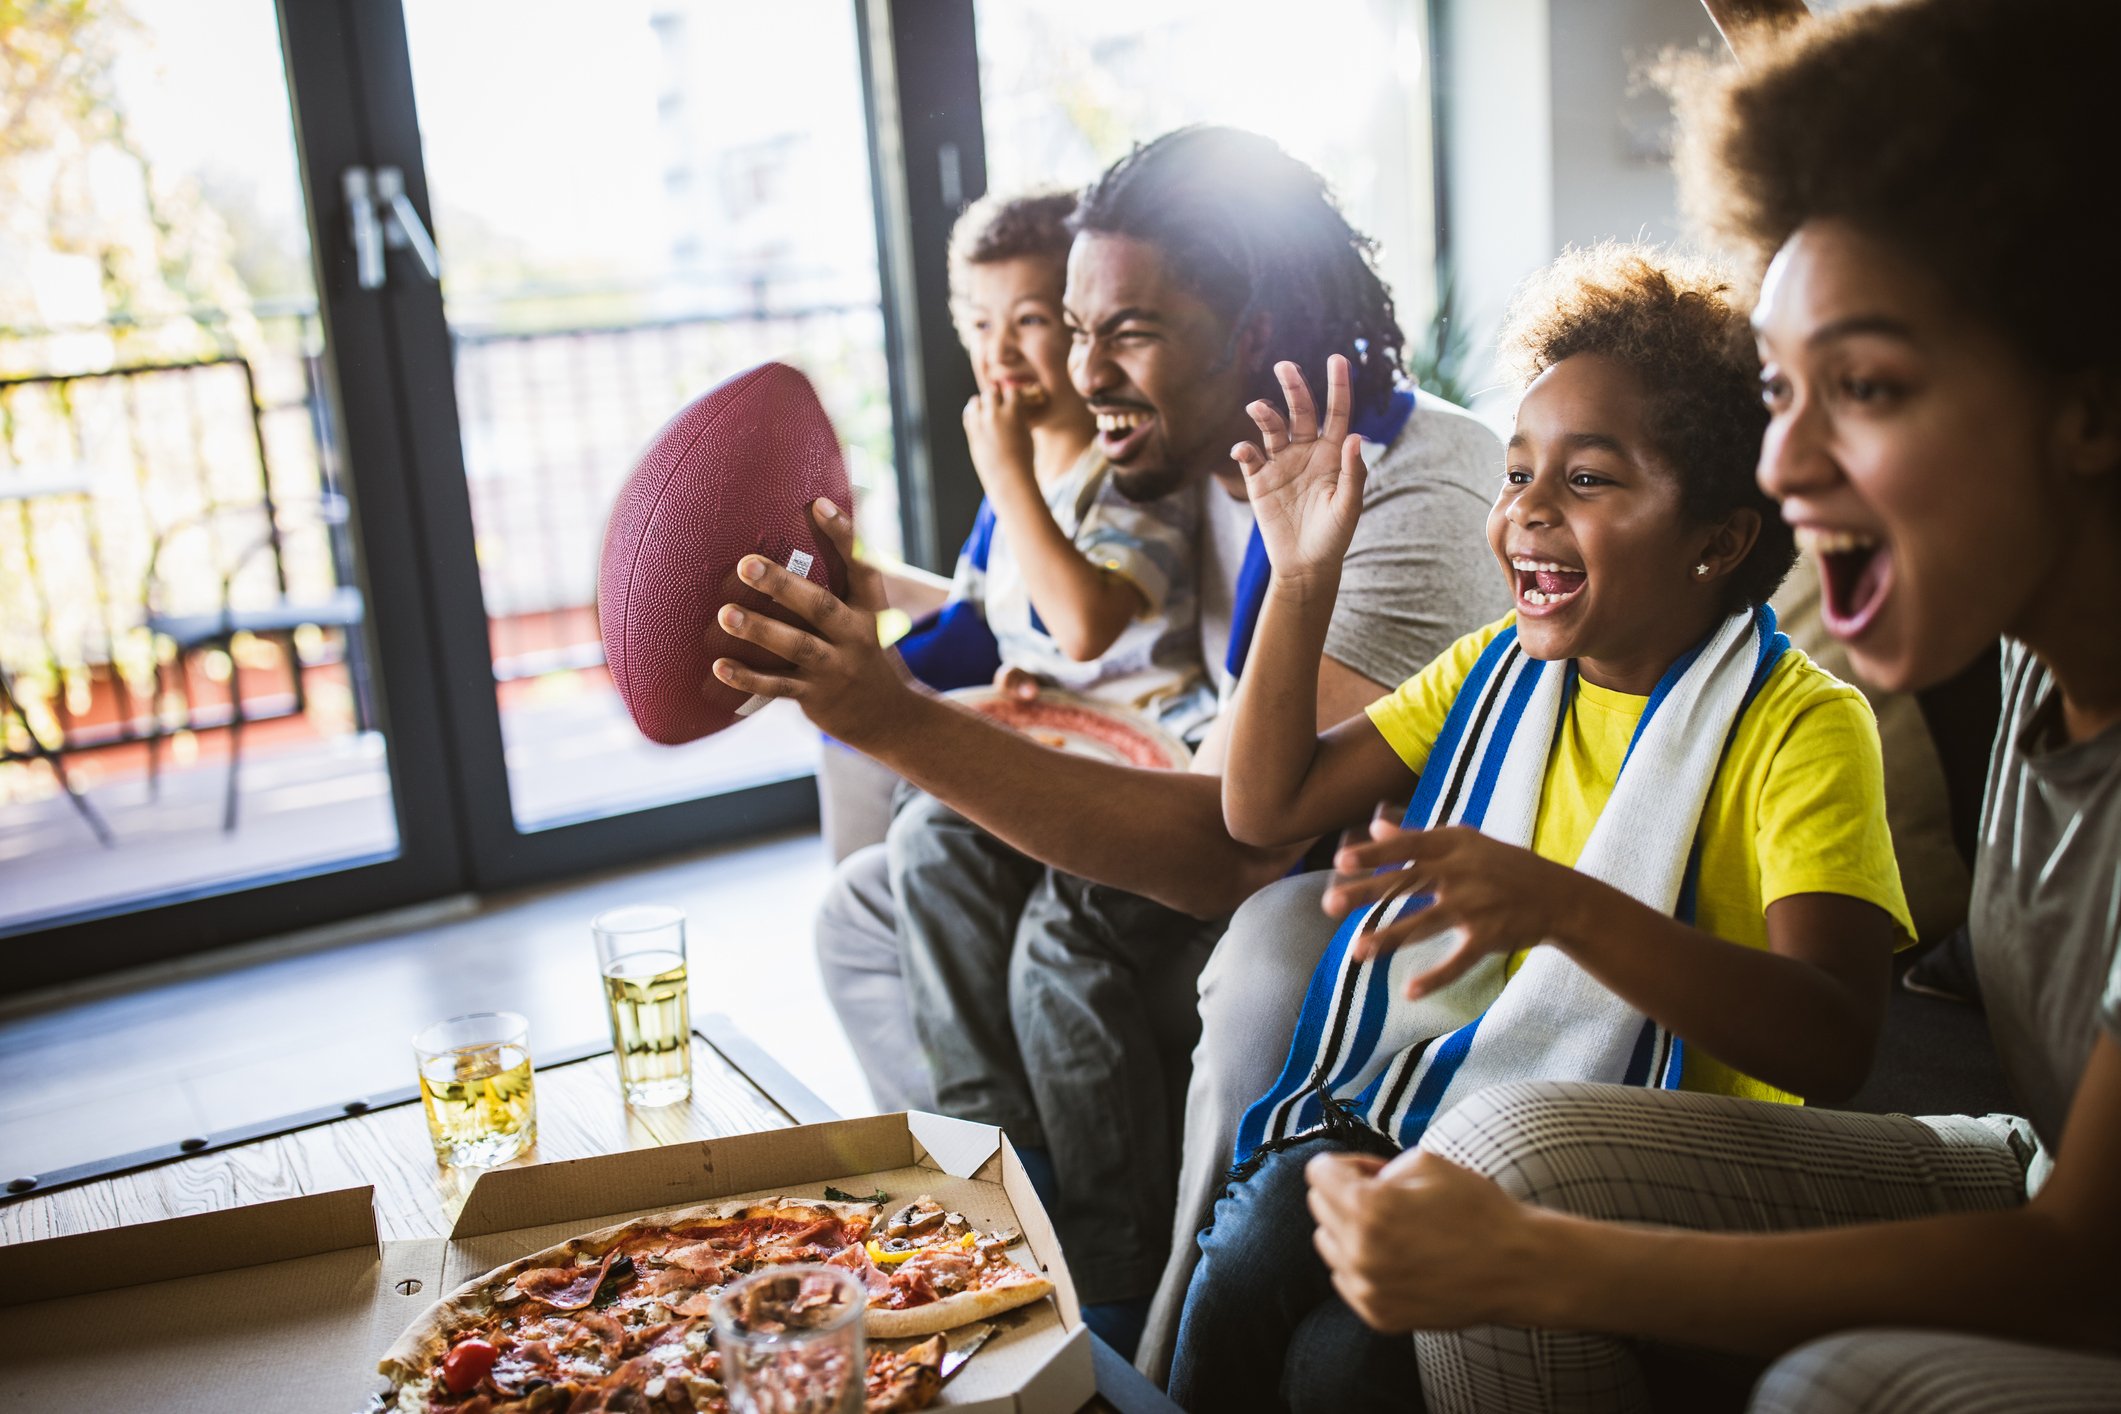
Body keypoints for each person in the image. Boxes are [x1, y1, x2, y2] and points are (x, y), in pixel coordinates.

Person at [1303, 3, 2121, 1410]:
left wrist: (1540, 1263)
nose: (1788, 469)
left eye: (1860, 389)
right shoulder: (2037, 651)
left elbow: (2082, 1265)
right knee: (1490, 1143)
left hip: (2079, 1243)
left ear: (2090, 410)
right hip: (2027, 1157)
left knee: (1841, 1386)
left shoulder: (1822, 709)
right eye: (1783, 395)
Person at [712, 125, 1508, 1356]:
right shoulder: (1197, 448)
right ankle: (996, 1228)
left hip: (1338, 879)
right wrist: (840, 595)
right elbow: (1036, 623)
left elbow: (1238, 846)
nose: (1084, 374)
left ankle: (1117, 1302)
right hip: (1211, 785)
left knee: (1061, 936)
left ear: (1255, 325)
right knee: (899, 880)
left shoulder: (1411, 492)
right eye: (1073, 328)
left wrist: (886, 712)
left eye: (1125, 332)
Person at [1164, 246, 1911, 1413]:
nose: (1525, 514)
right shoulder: (1497, 669)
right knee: (1265, 1224)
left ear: (1717, 538)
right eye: (1517, 474)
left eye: (1589, 481)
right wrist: (1304, 576)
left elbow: (1830, 1040)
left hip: (1663, 1155)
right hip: (1459, 1092)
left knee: (1341, 1365)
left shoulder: (1807, 726)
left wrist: (1561, 906)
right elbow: (1260, 809)